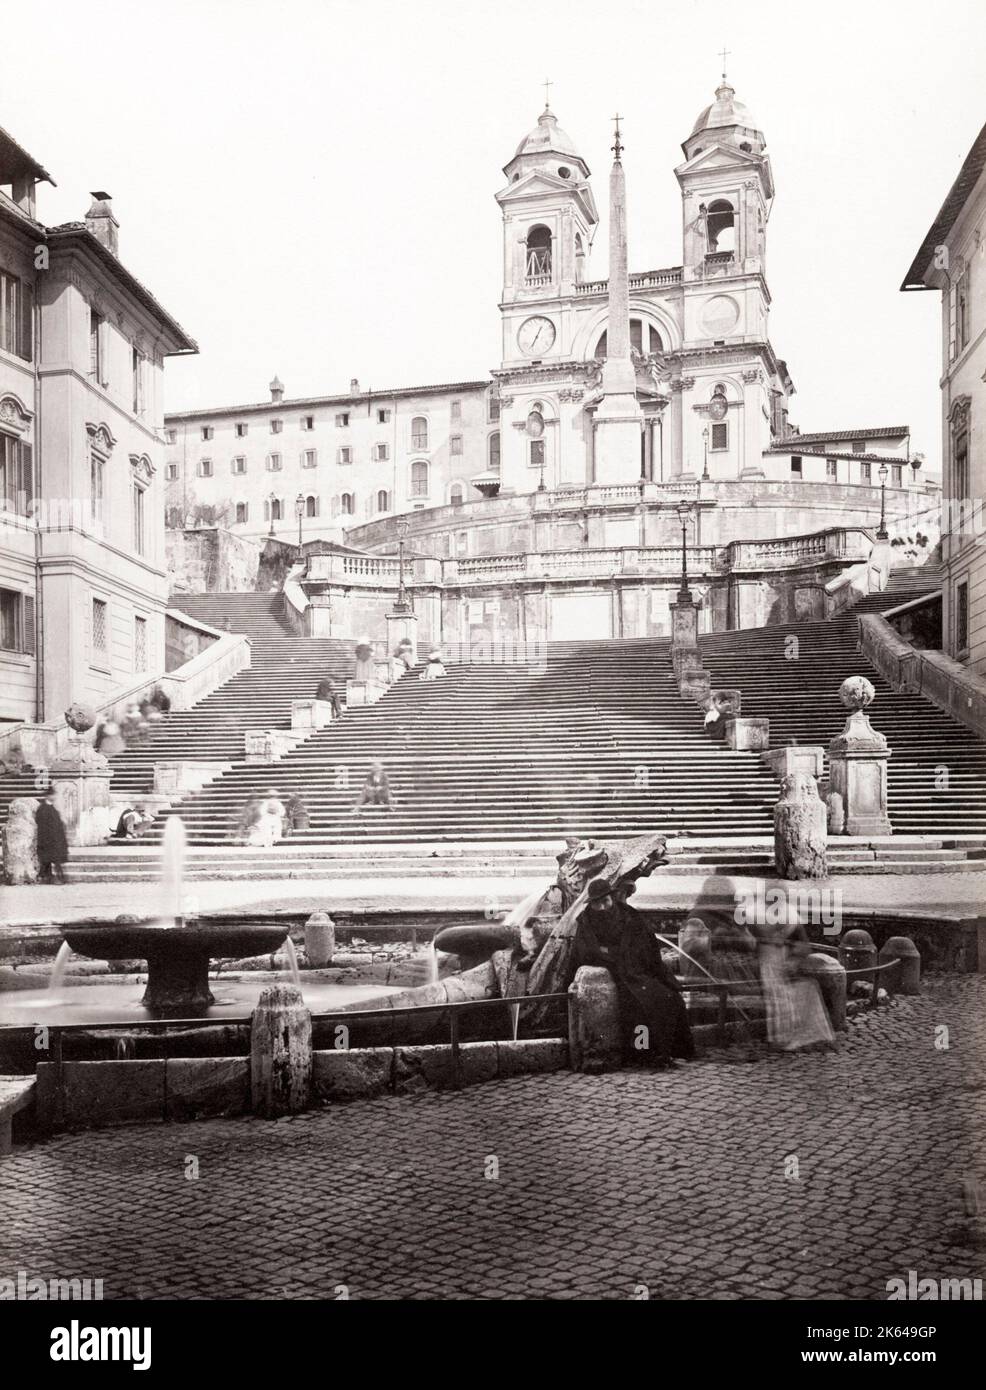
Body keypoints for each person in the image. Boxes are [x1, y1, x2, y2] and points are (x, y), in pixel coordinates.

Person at [572, 877, 694, 1068]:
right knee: (640, 1005)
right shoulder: (586, 921)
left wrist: (618, 952)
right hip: (617, 973)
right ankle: (643, 1054)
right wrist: (613, 954)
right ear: (591, 904)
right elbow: (587, 951)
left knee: (671, 997)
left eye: (605, 901)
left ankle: (672, 1051)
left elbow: (645, 944)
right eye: (597, 903)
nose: (602, 907)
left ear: (612, 898)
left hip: (638, 969)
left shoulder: (628, 915)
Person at [754, 919, 835, 1052]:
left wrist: (793, 960)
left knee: (809, 988)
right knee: (780, 992)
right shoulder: (759, 920)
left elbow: (804, 948)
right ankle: (782, 1036)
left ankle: (806, 1034)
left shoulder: (790, 923)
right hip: (768, 969)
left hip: (781, 968)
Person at [35, 789, 69, 884]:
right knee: (52, 860)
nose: (55, 797)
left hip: (55, 839)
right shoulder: (42, 808)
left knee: (49, 860)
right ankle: (59, 878)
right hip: (48, 840)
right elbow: (42, 825)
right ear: (48, 796)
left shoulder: (52, 807)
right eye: (53, 795)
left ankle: (48, 877)